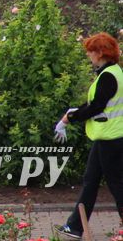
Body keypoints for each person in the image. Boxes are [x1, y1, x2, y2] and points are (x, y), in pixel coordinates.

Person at [53, 32, 123, 240]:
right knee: (90, 180)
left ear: (101, 53)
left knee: (117, 184)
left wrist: (68, 119)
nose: (89, 56)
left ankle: (75, 226)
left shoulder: (109, 76)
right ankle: (74, 226)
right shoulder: (113, 73)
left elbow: (96, 107)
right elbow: (96, 104)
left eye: (91, 52)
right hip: (107, 137)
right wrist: (71, 115)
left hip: (110, 138)